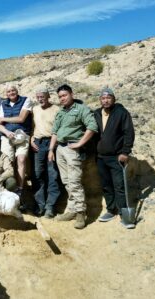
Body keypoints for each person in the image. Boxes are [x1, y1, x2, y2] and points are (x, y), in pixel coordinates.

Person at [48, 84, 98, 229]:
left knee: (74, 181)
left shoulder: (81, 109)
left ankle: (81, 213)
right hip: (60, 149)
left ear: (71, 94)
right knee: (66, 181)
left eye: (64, 95)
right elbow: (55, 132)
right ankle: (72, 210)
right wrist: (51, 149)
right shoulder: (61, 112)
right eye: (60, 97)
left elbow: (92, 127)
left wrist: (79, 143)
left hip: (72, 149)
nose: (62, 98)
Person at [93, 87, 135, 229]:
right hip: (100, 157)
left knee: (119, 186)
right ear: (100, 100)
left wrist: (125, 152)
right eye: (103, 98)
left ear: (113, 99)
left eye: (108, 98)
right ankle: (111, 210)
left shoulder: (121, 112)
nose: (105, 100)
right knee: (106, 185)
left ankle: (124, 214)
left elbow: (129, 132)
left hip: (116, 157)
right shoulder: (97, 113)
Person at [30, 86, 61, 218]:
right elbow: (32, 127)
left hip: (52, 143)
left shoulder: (56, 110)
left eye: (42, 96)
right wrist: (31, 139)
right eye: (38, 97)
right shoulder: (35, 109)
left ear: (48, 96)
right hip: (37, 144)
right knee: (37, 174)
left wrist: (52, 148)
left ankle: (50, 207)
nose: (40, 99)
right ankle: (40, 205)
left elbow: (59, 129)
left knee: (52, 175)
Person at [0, 85, 33, 196]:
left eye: (13, 90)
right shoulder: (4, 104)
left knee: (21, 160)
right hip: (7, 136)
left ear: (17, 91)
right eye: (8, 91)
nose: (11, 93)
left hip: (22, 135)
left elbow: (21, 118)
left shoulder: (26, 100)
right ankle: (9, 187)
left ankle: (20, 189)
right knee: (8, 162)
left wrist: (3, 119)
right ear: (6, 94)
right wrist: (7, 132)